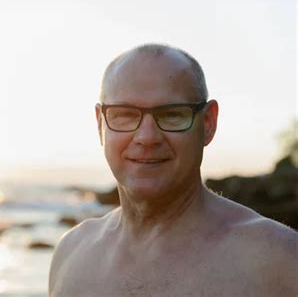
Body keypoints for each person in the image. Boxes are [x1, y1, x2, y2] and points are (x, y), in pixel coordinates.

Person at [49, 43, 297, 296]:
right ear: (100, 123)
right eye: (125, 114)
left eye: (171, 115)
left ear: (208, 123)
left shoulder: (279, 260)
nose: (147, 137)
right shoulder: (71, 253)